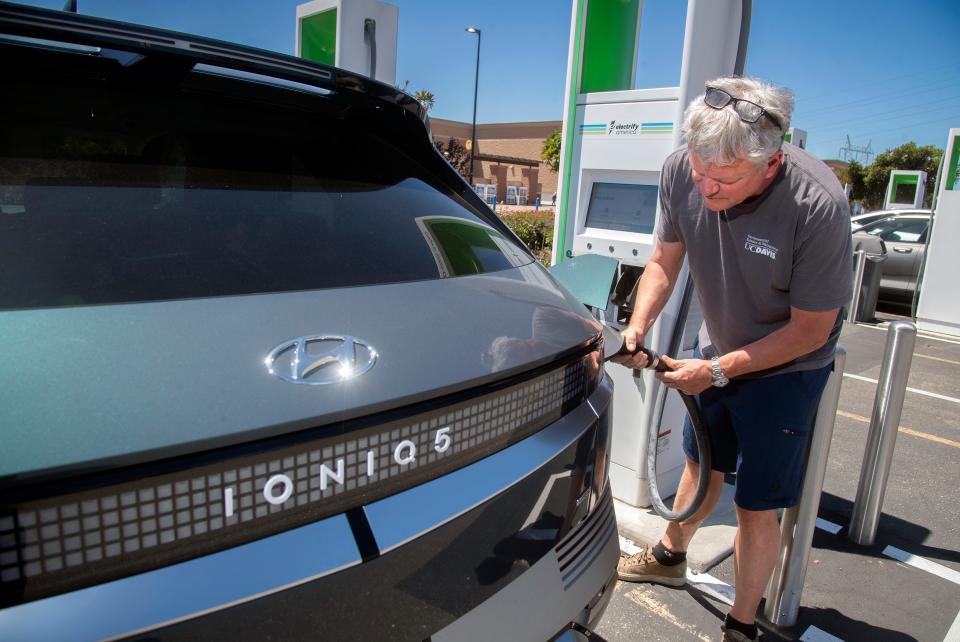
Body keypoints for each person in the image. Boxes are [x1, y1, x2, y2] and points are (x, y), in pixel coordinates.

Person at [612, 76, 852, 642]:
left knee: (755, 506)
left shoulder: (818, 204)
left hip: (788, 367)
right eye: (699, 172)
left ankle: (742, 625)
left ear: (770, 165)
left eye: (723, 180)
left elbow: (811, 331)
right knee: (701, 466)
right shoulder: (682, 170)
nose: (706, 189)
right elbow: (664, 262)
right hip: (716, 347)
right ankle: (672, 559)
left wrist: (716, 372)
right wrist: (638, 325)